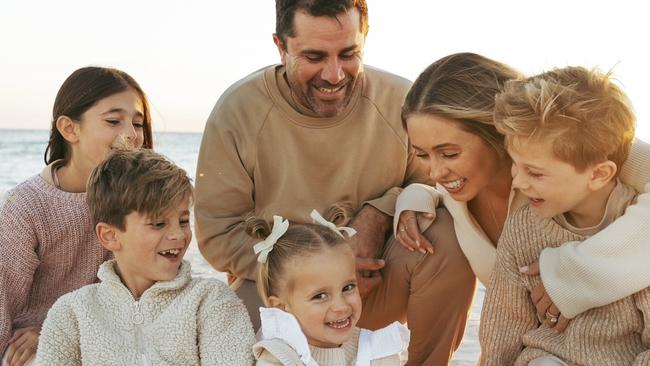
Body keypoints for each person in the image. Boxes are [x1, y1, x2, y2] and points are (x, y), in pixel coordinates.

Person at [195, 1, 475, 364]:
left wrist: (379, 212)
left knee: (448, 236)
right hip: (279, 296)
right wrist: (317, 267)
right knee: (225, 340)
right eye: (314, 57)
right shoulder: (237, 111)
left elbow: (441, 186)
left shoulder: (402, 101)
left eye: (348, 54)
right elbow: (217, 234)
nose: (334, 75)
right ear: (281, 47)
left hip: (375, 283)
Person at [395, 52, 650, 327]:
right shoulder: (455, 194)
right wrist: (413, 196)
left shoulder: (576, 146)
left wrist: (579, 271)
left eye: (449, 153)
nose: (434, 172)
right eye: (421, 155)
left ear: (495, 129)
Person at [479, 66, 650, 365]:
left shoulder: (639, 238)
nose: (517, 182)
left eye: (534, 171)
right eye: (515, 164)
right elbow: (504, 325)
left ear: (598, 174)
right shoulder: (524, 227)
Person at [34, 149, 256, 365]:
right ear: (110, 236)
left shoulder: (211, 301)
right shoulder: (73, 313)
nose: (178, 235)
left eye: (183, 221)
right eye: (158, 224)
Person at [0, 66, 154, 366]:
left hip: (116, 332)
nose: (131, 135)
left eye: (138, 123)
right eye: (113, 121)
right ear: (70, 129)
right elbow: (3, 300)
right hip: (35, 340)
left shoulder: (142, 197)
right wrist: (51, 329)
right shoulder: (26, 206)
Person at [250, 208, 409, 365]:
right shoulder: (279, 359)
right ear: (281, 307)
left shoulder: (376, 350)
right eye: (320, 296)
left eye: (348, 287)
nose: (341, 306)